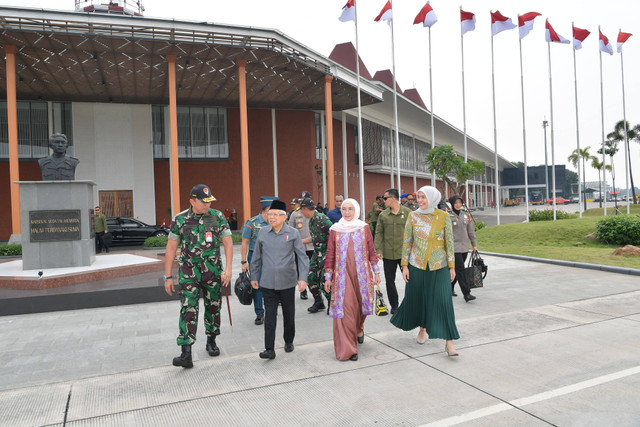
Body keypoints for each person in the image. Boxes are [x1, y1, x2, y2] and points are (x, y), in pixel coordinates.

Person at [163, 184, 233, 368]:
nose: (207, 205)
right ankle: (186, 353)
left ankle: (211, 340)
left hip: (213, 272)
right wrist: (168, 276)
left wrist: (228, 269)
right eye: (203, 202)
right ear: (192, 201)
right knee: (188, 309)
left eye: (209, 201)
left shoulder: (216, 217)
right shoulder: (180, 220)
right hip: (188, 273)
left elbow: (227, 242)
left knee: (213, 307)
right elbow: (171, 247)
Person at [390, 186, 459, 357]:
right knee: (421, 299)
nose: (420, 200)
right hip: (417, 265)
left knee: (444, 302)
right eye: (418, 197)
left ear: (433, 198)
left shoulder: (443, 216)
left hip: (439, 266)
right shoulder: (413, 216)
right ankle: (422, 329)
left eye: (423, 197)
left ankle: (449, 342)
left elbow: (449, 243)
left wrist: (452, 266)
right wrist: (404, 265)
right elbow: (407, 241)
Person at [250, 199, 309, 360]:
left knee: (289, 314)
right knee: (270, 315)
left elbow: (302, 257)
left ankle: (288, 340)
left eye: (276, 214)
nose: (272, 217)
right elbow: (256, 257)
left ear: (284, 217)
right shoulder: (262, 232)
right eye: (270, 214)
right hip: (267, 282)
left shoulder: (293, 233)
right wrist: (254, 276)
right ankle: (269, 348)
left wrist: (303, 278)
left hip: (287, 281)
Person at [324, 199, 380, 361]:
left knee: (361, 308)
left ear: (356, 210)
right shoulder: (335, 229)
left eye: (350, 209)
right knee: (345, 309)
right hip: (342, 277)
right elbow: (330, 254)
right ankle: (348, 349)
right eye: (344, 209)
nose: (347, 212)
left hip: (362, 276)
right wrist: (328, 277)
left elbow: (371, 250)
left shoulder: (363, 228)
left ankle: (358, 328)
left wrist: (376, 272)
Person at [241, 196, 279, 326]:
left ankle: (271, 309)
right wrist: (243, 262)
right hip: (256, 257)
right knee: (257, 284)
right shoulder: (252, 223)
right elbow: (245, 242)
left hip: (273, 257)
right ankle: (259, 312)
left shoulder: (276, 222)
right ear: (267, 209)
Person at [374, 188, 412, 314]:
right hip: (388, 254)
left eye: (385, 198)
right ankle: (394, 305)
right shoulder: (383, 215)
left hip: (404, 254)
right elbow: (378, 233)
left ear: (393, 198)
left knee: (410, 280)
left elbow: (414, 233)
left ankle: (409, 304)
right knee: (390, 281)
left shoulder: (408, 213)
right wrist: (378, 249)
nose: (383, 201)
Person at [299, 197, 333, 313]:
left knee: (325, 280)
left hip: (326, 254)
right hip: (316, 253)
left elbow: (334, 235)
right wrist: (300, 241)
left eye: (301, 210)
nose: (301, 212)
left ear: (305, 208)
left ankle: (331, 303)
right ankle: (318, 301)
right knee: (310, 277)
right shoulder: (312, 220)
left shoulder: (323, 219)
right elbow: (314, 238)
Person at [448, 195, 478, 302]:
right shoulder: (447, 215)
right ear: (452, 203)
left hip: (464, 247)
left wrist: (474, 244)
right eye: (456, 203)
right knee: (460, 270)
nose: (458, 205)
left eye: (460, 203)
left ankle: (449, 288)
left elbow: (470, 231)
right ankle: (467, 293)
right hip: (454, 248)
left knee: (457, 270)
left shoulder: (466, 215)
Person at [288, 191, 313, 300]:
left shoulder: (314, 212)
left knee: (312, 268)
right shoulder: (294, 214)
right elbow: (290, 230)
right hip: (299, 247)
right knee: (300, 268)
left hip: (312, 246)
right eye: (301, 200)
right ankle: (303, 290)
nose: (303, 201)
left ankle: (314, 289)